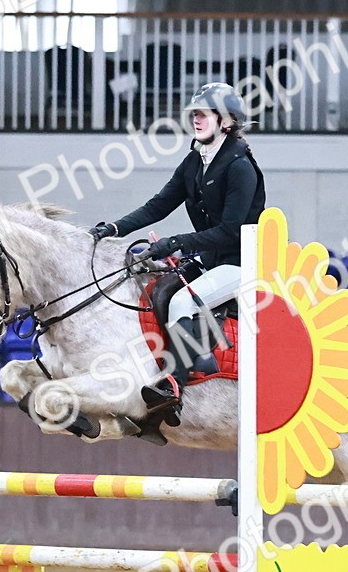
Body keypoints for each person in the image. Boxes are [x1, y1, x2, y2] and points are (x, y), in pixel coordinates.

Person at [88, 82, 266, 427]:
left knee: (185, 302)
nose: (195, 120)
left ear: (226, 121)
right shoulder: (195, 160)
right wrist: (114, 228)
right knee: (156, 287)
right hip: (213, 259)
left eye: (203, 114)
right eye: (194, 114)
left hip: (244, 263)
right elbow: (159, 204)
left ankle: (173, 385)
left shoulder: (240, 167)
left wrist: (175, 242)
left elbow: (231, 231)